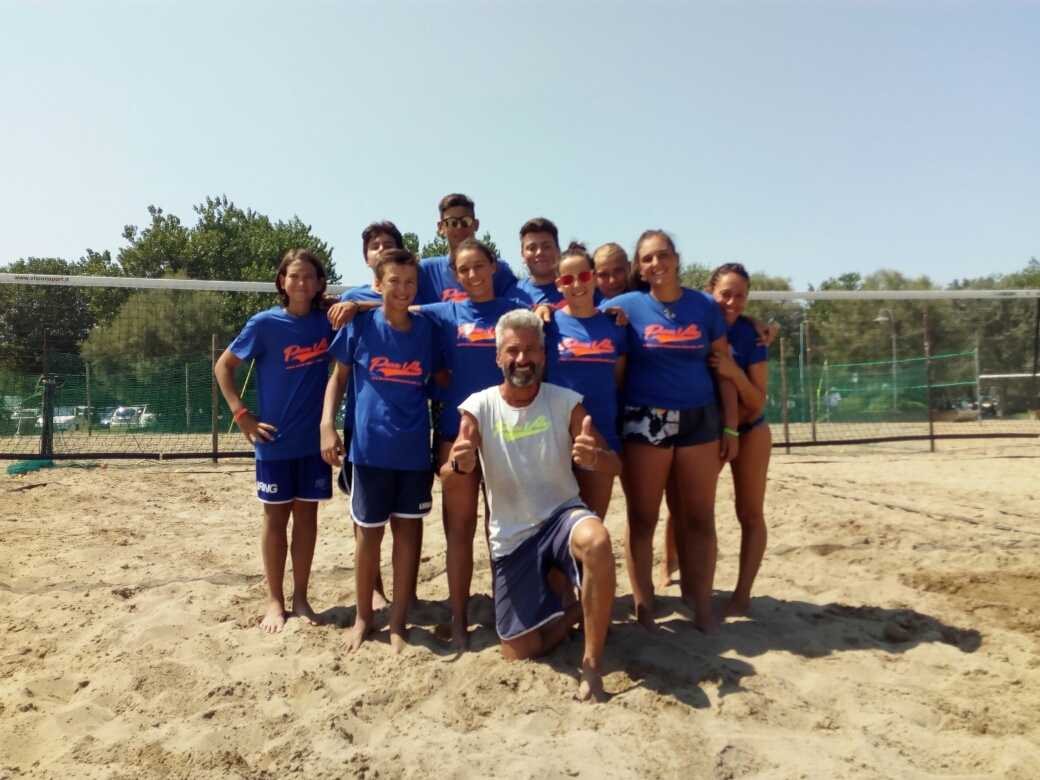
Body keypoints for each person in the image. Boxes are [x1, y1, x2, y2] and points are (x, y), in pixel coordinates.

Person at [446, 309, 620, 701]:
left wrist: (596, 458)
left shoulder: (567, 402)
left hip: (562, 518)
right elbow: (452, 466)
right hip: (512, 537)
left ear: (543, 355)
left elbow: (615, 464)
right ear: (498, 358)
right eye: (513, 351)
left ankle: (593, 666)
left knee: (597, 539)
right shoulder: (479, 406)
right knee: (518, 653)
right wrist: (459, 464)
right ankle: (579, 611)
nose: (521, 359)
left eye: (530, 350)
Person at [609, 230, 739, 635]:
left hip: (700, 418)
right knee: (642, 517)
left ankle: (702, 608)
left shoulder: (704, 306)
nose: (655, 263)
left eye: (662, 255)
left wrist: (731, 426)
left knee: (699, 517)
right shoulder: (625, 306)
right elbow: (576, 317)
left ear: (677, 259)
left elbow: (725, 367)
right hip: (645, 417)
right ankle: (645, 608)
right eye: (647, 258)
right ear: (639, 268)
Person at [320, 249, 440, 654]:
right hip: (368, 449)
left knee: (407, 537)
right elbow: (337, 380)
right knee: (368, 538)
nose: (403, 289)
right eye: (394, 281)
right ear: (378, 284)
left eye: (410, 282)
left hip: (412, 451)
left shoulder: (427, 330)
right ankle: (362, 618)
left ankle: (399, 622)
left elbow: (442, 378)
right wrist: (327, 426)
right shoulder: (360, 325)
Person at [214, 248, 334, 634]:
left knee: (307, 518)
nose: (301, 283)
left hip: (313, 442)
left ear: (319, 284)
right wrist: (241, 414)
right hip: (275, 440)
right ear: (282, 281)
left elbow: (371, 308)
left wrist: (336, 303)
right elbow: (223, 367)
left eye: (309, 277)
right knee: (275, 517)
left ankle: (301, 598)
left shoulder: (326, 322)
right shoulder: (264, 324)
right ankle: (274, 601)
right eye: (294, 276)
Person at [419, 239, 530, 649]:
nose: (472, 275)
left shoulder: (515, 313)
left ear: (493, 266)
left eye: (478, 266)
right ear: (455, 274)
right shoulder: (446, 312)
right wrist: (344, 303)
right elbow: (394, 308)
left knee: (501, 528)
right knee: (459, 530)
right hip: (456, 432)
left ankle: (508, 612)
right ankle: (460, 616)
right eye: (463, 269)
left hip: (507, 432)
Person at [657, 264, 772, 617]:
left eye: (741, 296)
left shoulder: (751, 337)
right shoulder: (698, 322)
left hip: (749, 429)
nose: (732, 302)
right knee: (686, 506)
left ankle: (741, 595)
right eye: (726, 293)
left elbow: (758, 401)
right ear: (710, 291)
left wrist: (735, 374)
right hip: (703, 431)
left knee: (749, 513)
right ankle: (668, 564)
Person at [544, 242, 627, 519]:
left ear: (593, 276)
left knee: (591, 522)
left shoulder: (614, 325)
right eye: (567, 279)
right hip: (554, 436)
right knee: (555, 530)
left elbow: (618, 378)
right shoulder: (548, 324)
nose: (577, 284)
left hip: (600, 431)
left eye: (584, 276)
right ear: (558, 284)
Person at [416, 193, 518, 304]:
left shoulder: (498, 269)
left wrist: (541, 305)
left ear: (476, 225)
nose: (459, 227)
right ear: (441, 227)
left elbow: (529, 299)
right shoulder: (424, 271)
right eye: (452, 222)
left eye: (466, 221)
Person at [513, 218, 565, 308]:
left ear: (558, 251)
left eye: (546, 246)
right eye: (532, 248)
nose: (539, 252)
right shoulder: (511, 294)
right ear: (522, 255)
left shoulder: (576, 289)